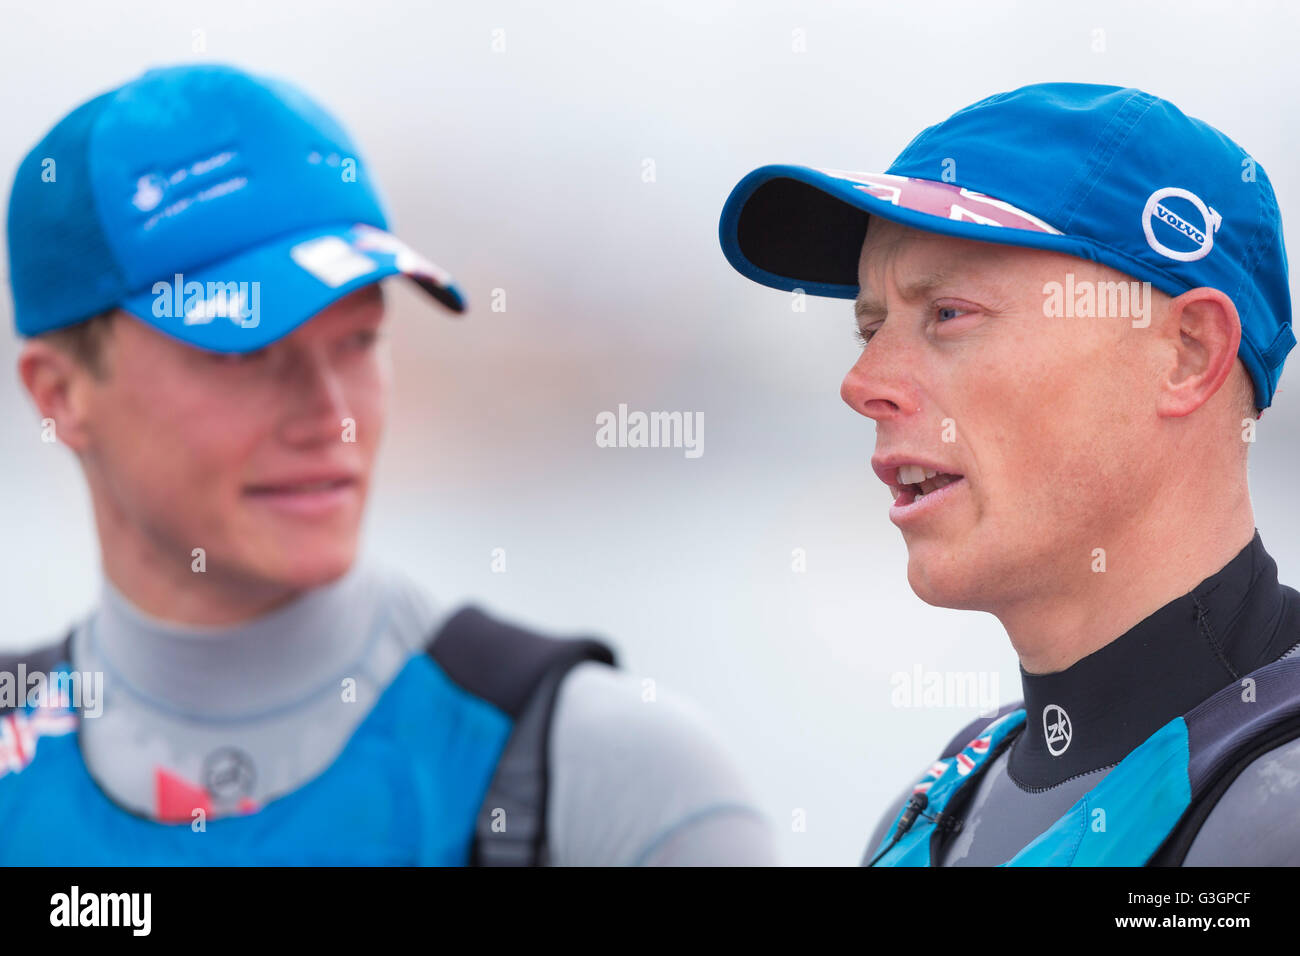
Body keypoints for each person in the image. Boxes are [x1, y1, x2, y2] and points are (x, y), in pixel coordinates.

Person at [0, 62, 777, 866]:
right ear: (59, 393)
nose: (331, 415)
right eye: (247, 350)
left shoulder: (616, 781)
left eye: (359, 340)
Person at [717, 82, 1300, 865]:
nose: (862, 384)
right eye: (870, 326)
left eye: (948, 314)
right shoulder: (930, 813)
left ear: (1187, 352)